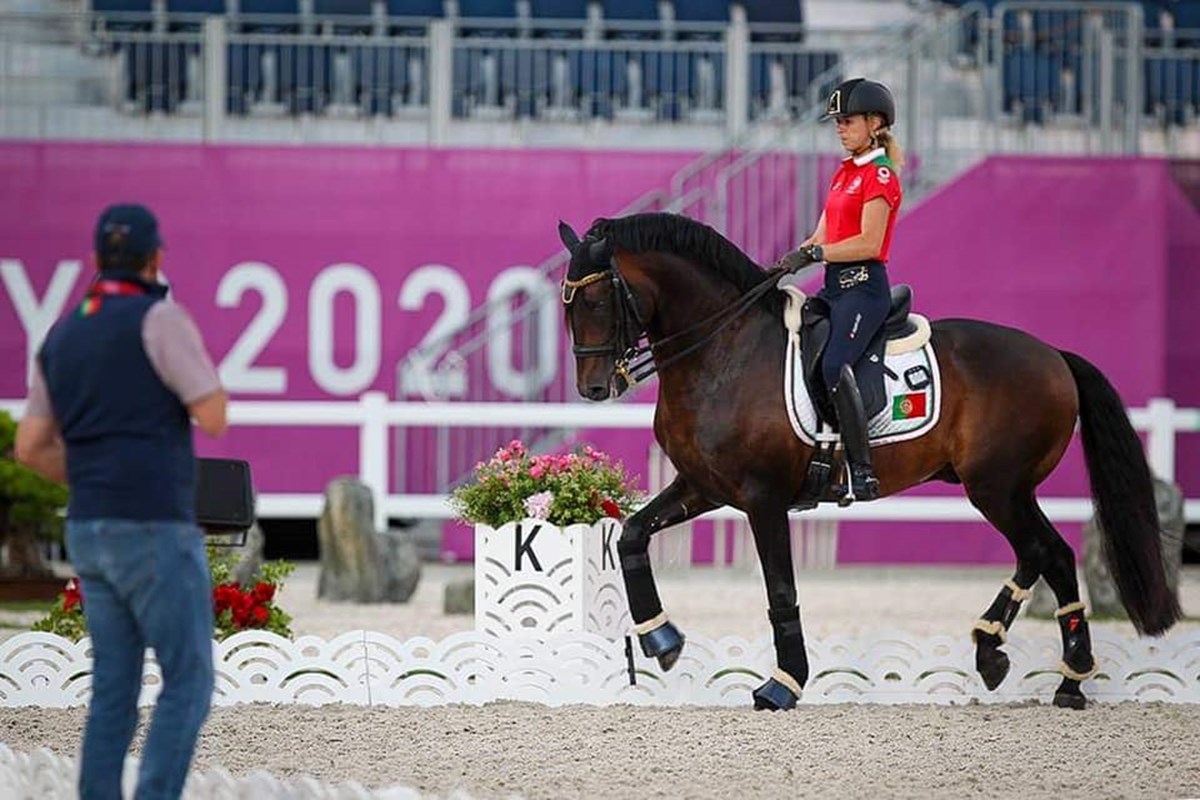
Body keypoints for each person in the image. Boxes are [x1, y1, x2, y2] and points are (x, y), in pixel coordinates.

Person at [15, 203, 228, 800]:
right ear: (156, 258)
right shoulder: (160, 319)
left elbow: (30, 446)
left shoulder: (60, 334)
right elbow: (212, 414)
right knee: (187, 680)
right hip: (153, 522)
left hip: (88, 524)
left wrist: (90, 472)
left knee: (113, 686)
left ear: (93, 261)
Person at [774, 78, 904, 503]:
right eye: (838, 122)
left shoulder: (880, 175)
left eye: (847, 121)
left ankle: (862, 471)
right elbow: (823, 232)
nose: (840, 128)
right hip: (834, 289)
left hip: (864, 289)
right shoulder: (845, 172)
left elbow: (868, 243)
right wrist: (791, 259)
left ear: (875, 122)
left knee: (833, 367)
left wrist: (816, 254)